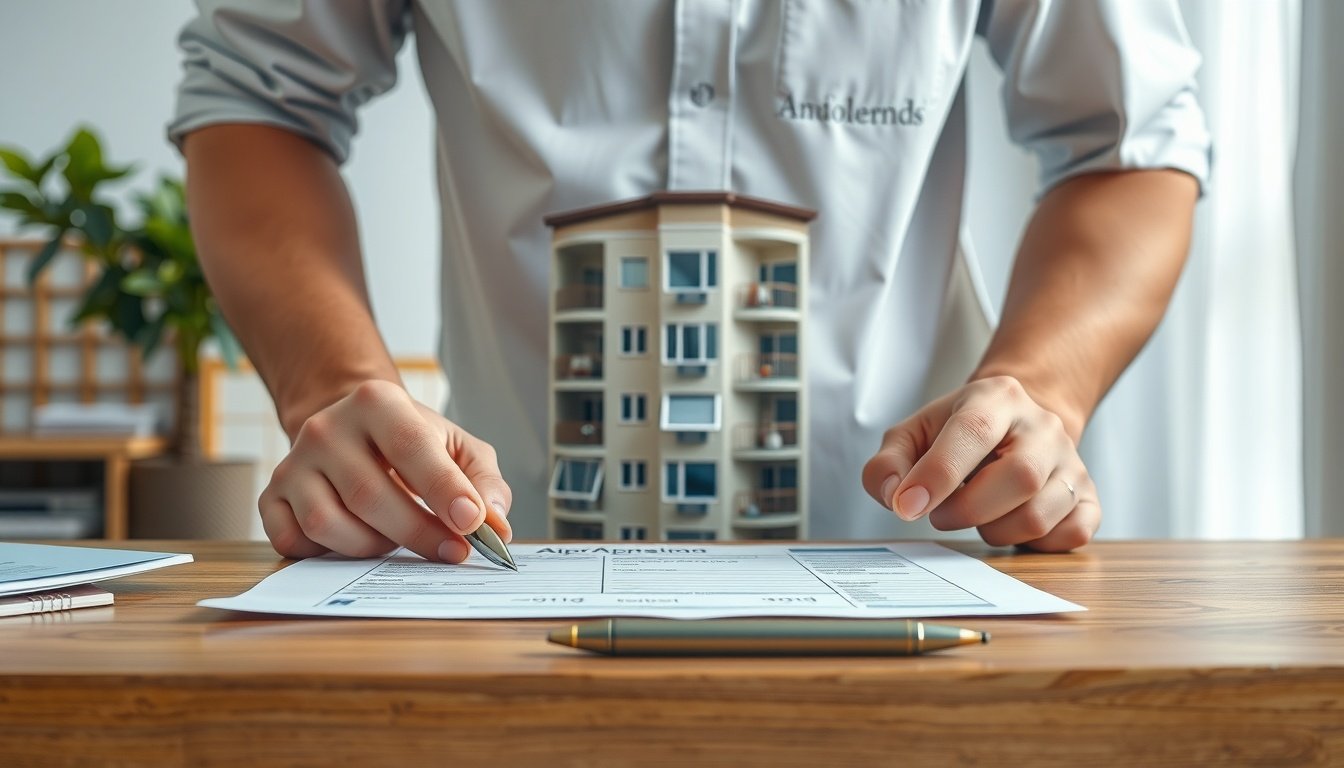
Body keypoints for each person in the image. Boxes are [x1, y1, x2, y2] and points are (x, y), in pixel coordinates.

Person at [169, 1, 1210, 562]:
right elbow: (260, 100)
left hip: (918, 558)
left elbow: (1128, 146)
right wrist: (332, 385)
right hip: (499, 563)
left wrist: (1044, 389)